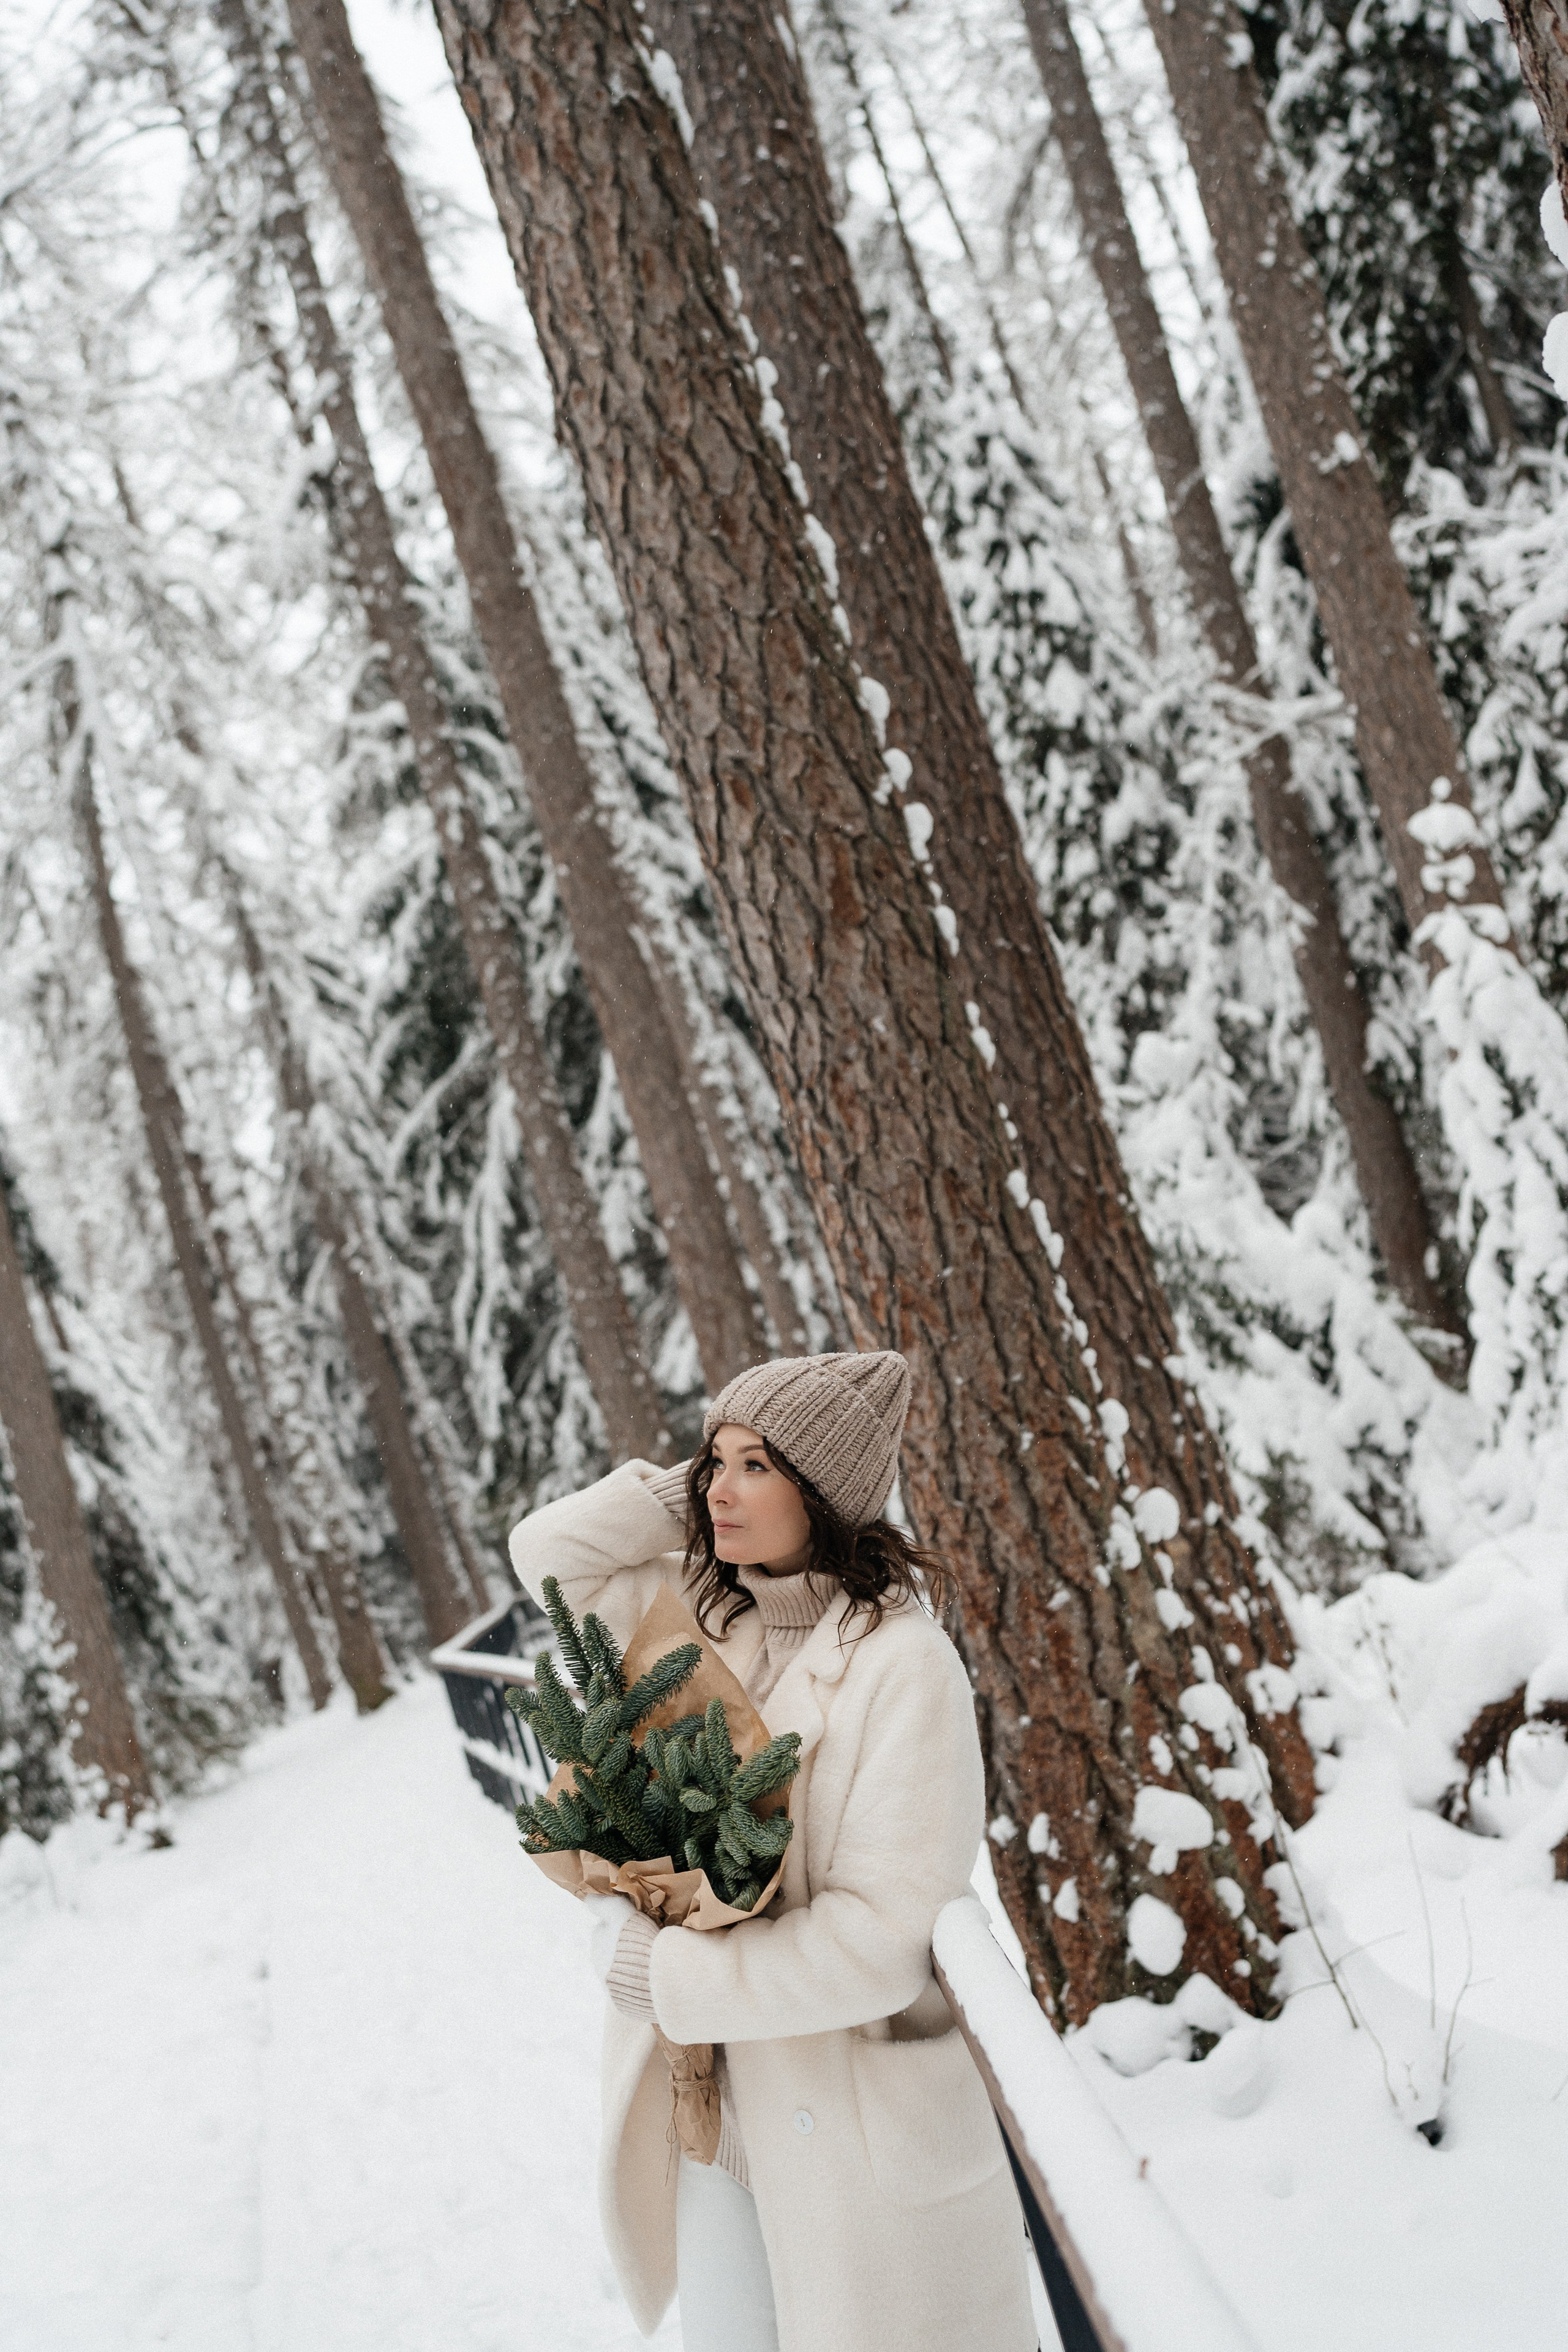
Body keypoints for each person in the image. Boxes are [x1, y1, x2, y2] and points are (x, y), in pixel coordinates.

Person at [508, 1349, 1036, 2352]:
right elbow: (548, 1559)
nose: (719, 1488)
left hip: (844, 2126)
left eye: (757, 1466)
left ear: (826, 1495)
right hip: (718, 2115)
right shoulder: (709, 1626)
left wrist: (662, 1974)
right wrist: (691, 1488)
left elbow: (879, 1941)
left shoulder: (907, 1667)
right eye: (714, 1462)